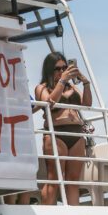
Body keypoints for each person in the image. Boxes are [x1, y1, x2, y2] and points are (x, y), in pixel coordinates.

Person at [35, 51, 92, 205]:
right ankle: (48, 214)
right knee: (53, 178)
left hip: (76, 134)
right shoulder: (42, 88)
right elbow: (50, 101)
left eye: (64, 68)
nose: (61, 71)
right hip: (56, 134)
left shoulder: (71, 86)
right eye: (58, 68)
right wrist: (62, 81)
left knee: (73, 180)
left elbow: (87, 103)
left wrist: (85, 82)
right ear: (49, 70)